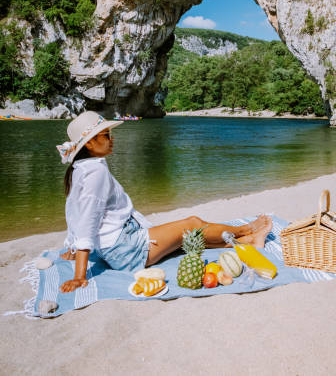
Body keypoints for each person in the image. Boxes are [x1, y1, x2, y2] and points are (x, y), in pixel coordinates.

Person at [57, 111, 273, 293]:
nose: (112, 138)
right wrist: (79, 275)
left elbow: (74, 211)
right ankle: (245, 229)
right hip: (126, 250)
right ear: (90, 143)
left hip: (120, 245)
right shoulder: (95, 172)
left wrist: (72, 247)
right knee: (193, 224)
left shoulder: (79, 169)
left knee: (188, 239)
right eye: (106, 135)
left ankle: (248, 241)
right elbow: (87, 218)